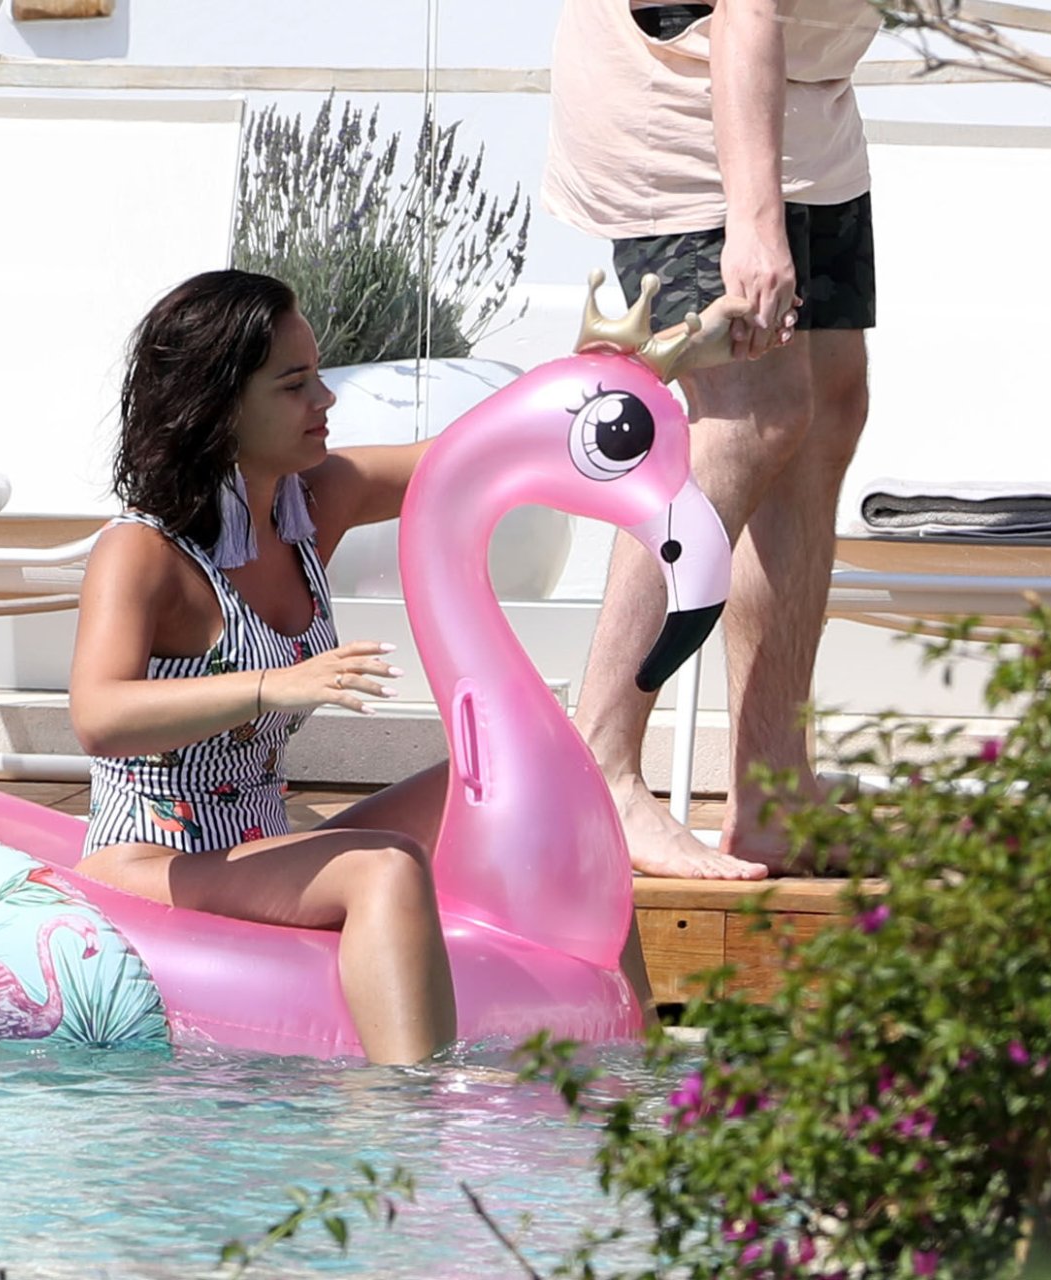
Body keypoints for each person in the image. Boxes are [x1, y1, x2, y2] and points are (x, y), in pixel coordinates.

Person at [69, 269, 753, 1063]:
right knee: (383, 871)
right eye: (294, 384)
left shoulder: (311, 503)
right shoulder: (143, 552)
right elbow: (98, 716)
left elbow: (472, 455)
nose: (324, 398)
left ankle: (641, 1060)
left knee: (551, 783)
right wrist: (269, 686)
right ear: (218, 404)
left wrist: (599, 376)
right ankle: (406, 1105)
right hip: (153, 860)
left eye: (317, 375)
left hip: (258, 840)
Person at [544, 0, 883, 879]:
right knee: (748, 414)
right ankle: (600, 770)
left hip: (807, 103)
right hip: (684, 95)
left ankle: (775, 791)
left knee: (827, 411)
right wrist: (755, 222)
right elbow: (747, 11)